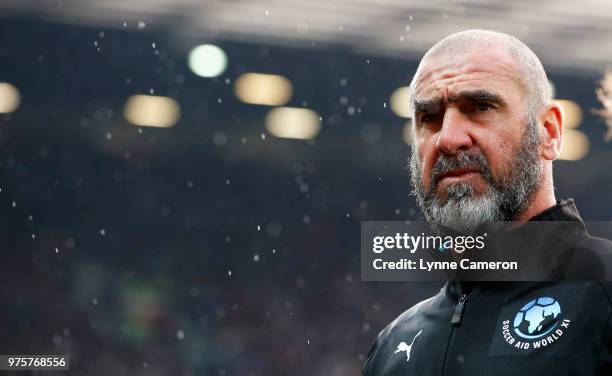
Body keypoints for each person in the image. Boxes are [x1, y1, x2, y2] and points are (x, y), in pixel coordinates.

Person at [362, 29, 612, 375]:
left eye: (480, 107)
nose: (448, 138)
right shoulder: (393, 348)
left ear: (549, 132)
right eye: (429, 117)